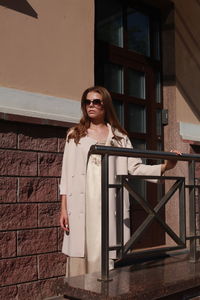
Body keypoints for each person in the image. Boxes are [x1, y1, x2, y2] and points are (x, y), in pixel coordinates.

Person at [60, 86, 179, 277]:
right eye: (87, 102)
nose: (91, 105)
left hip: (108, 201)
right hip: (82, 202)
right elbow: (66, 174)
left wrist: (165, 167)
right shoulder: (75, 135)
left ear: (105, 105)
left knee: (105, 245)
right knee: (81, 249)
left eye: (96, 102)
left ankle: (103, 289)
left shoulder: (119, 137)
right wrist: (64, 208)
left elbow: (134, 168)